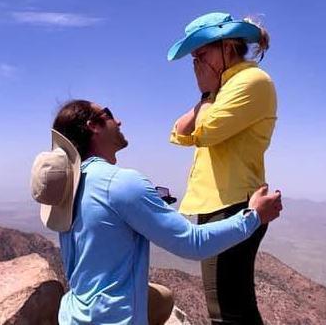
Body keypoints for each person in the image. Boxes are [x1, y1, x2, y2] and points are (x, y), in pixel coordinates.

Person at [30, 99, 282, 325]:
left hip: (73, 316)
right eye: (108, 114)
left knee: (161, 297)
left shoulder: (70, 187)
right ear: (93, 126)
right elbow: (193, 244)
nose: (119, 121)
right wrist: (254, 217)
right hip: (114, 320)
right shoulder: (120, 183)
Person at [168, 12, 277, 324]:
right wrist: (205, 96)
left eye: (201, 54)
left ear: (227, 47)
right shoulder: (219, 92)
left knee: (229, 312)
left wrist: (205, 97)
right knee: (230, 307)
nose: (195, 64)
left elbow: (207, 130)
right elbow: (179, 132)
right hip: (219, 204)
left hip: (233, 204)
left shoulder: (251, 81)